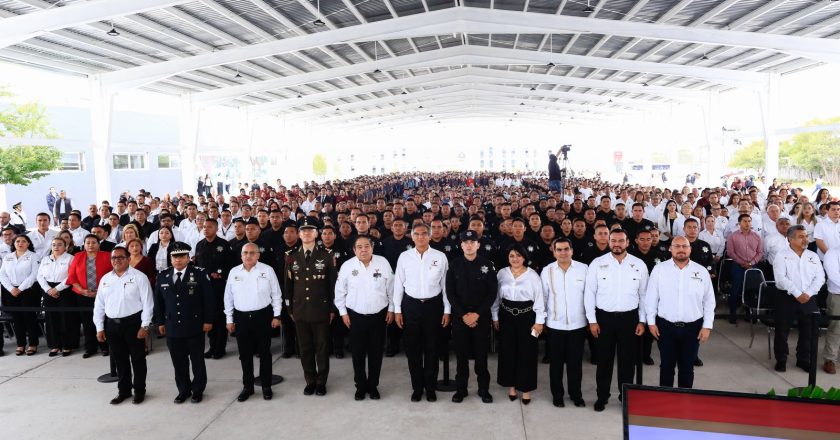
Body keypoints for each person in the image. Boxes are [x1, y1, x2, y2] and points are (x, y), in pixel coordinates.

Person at [584, 228, 648, 412]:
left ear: (628, 242)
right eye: (613, 240)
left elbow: (644, 295)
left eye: (621, 241)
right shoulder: (597, 263)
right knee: (604, 361)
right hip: (604, 319)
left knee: (627, 362)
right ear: (609, 242)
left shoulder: (639, 264)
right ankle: (602, 397)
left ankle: (625, 398)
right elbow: (589, 293)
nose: (617, 244)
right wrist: (592, 320)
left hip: (630, 319)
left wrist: (642, 320)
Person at [645, 237, 715, 389]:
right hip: (665, 326)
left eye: (685, 246)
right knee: (666, 367)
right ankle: (666, 401)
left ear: (690, 249)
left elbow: (709, 301)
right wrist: (651, 323)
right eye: (677, 246)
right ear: (670, 248)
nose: (681, 249)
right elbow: (651, 298)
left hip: (693, 328)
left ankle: (684, 401)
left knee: (687, 368)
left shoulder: (701, 271)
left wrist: (707, 326)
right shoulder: (659, 270)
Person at [394, 223, 451, 402]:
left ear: (430, 235)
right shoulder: (404, 257)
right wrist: (397, 310)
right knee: (413, 349)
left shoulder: (440, 257)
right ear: (411, 236)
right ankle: (417, 387)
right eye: (417, 234)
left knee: (432, 349)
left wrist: (447, 310)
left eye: (424, 234)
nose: (420, 237)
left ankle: (431, 387)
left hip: (433, 307)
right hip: (410, 306)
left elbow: (445, 286)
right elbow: (398, 284)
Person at [334, 235, 394, 401]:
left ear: (372, 247)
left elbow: (392, 288)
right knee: (358, 353)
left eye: (367, 246)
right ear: (354, 250)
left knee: (376, 353)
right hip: (355, 316)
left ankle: (373, 385)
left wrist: (391, 308)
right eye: (359, 247)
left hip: (379, 315)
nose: (363, 249)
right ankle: (360, 386)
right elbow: (339, 292)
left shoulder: (383, 263)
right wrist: (343, 313)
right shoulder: (347, 266)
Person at [154, 242, 215, 404]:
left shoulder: (200, 274)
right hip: (172, 326)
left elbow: (208, 299)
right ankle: (183, 390)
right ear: (170, 258)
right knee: (178, 362)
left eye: (182, 256)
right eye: (175, 257)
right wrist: (160, 322)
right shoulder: (163, 275)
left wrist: (208, 320)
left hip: (194, 325)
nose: (178, 260)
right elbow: (158, 302)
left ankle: (197, 390)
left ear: (188, 258)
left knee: (197, 361)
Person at [93, 246, 155, 405]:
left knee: (138, 359)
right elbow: (99, 305)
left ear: (128, 258)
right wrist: (99, 327)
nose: (117, 260)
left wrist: (145, 325)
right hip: (112, 325)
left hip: (134, 324)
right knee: (120, 360)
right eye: (114, 258)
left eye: (121, 257)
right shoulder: (106, 279)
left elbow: (148, 303)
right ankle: (124, 391)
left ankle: (139, 391)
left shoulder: (139, 277)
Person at [284, 216, 337, 396]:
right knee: (305, 347)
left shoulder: (327, 255)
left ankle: (321, 381)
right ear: (299, 234)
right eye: (303, 230)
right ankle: (310, 380)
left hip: (321, 309)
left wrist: (332, 309)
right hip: (300, 309)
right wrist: (290, 309)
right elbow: (288, 286)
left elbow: (332, 284)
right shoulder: (290, 256)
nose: (306, 233)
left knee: (322, 347)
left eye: (310, 230)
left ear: (317, 234)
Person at [224, 243, 283, 402]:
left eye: (252, 253)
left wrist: (277, 316)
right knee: (245, 355)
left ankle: (266, 386)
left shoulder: (267, 270)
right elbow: (228, 298)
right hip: (241, 318)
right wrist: (229, 319)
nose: (248, 256)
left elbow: (276, 295)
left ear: (258, 255)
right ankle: (247, 387)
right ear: (241, 255)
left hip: (263, 316)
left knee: (265, 353)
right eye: (245, 253)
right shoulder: (234, 272)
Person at [446, 230, 497, 404]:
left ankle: (484, 390)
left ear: (478, 245)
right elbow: (450, 293)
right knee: (461, 357)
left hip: (480, 316)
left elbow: (492, 293)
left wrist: (477, 314)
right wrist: (463, 315)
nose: (469, 245)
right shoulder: (454, 265)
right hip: (461, 317)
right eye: (465, 242)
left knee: (481, 356)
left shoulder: (487, 265)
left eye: (472, 242)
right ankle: (461, 390)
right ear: (461, 245)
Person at [492, 243, 544, 404]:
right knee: (508, 352)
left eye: (518, 256)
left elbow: (540, 299)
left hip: (527, 316)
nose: (515, 259)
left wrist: (539, 322)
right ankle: (512, 386)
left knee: (526, 353)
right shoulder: (502, 273)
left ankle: (526, 389)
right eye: (512, 256)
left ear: (524, 257)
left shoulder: (532, 275)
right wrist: (495, 316)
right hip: (506, 316)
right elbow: (495, 297)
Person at [540, 238, 587, 408]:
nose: (563, 252)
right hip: (555, 325)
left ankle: (576, 395)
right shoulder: (547, 271)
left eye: (566, 249)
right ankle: (557, 395)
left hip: (578, 324)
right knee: (556, 364)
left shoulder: (583, 269)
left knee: (575, 363)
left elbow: (589, 297)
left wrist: (590, 318)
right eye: (559, 250)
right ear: (553, 252)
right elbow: (543, 298)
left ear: (572, 250)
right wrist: (542, 320)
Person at [772, 225, 824, 373]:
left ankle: (803, 359)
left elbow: (820, 278)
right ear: (790, 238)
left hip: (809, 298)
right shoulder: (781, 255)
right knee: (782, 331)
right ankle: (781, 360)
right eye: (801, 236)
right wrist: (797, 293)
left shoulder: (812, 256)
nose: (805, 239)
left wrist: (808, 293)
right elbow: (781, 279)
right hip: (786, 298)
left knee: (808, 331)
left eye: (806, 236)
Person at [194, 218, 235, 359]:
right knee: (208, 316)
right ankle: (211, 346)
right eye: (204, 226)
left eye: (209, 226)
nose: (206, 229)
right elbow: (196, 265)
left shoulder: (224, 245)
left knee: (219, 317)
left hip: (219, 286)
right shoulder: (200, 245)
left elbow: (231, 265)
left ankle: (220, 348)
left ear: (216, 229)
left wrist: (221, 274)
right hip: (204, 287)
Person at [66, 234, 112, 358]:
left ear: (99, 244)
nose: (90, 245)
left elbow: (112, 275)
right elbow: (72, 277)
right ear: (84, 245)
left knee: (104, 321)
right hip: (83, 295)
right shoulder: (78, 256)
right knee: (87, 322)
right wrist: (82, 291)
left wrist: (100, 291)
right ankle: (90, 348)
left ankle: (105, 346)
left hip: (103, 295)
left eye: (93, 242)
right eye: (88, 243)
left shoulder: (107, 256)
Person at [0, 234, 40, 355]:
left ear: (28, 243)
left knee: (30, 318)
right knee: (16, 319)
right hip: (11, 292)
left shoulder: (33, 256)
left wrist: (20, 288)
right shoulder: (8, 257)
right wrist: (12, 288)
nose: (20, 243)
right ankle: (20, 344)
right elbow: (2, 275)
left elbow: (34, 275)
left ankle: (33, 344)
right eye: (17, 241)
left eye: (23, 241)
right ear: (14, 243)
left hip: (28, 291)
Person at [38, 237, 75, 356]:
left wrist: (57, 289)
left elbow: (71, 277)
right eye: (54, 245)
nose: (56, 247)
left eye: (59, 245)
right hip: (48, 290)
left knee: (66, 318)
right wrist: (49, 289)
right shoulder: (45, 259)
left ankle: (67, 345)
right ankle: (55, 346)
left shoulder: (70, 258)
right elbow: (39, 276)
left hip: (64, 290)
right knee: (51, 319)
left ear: (65, 247)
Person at [725, 214, 763, 323]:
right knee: (735, 290)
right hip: (738, 265)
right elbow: (730, 252)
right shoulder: (733, 236)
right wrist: (742, 262)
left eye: (749, 221)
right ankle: (733, 314)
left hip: (752, 266)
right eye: (745, 221)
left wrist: (751, 263)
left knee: (751, 290)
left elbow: (760, 252)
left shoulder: (756, 236)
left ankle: (749, 313)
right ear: (739, 223)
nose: (747, 223)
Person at [822, 246, 840, 374]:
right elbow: (834, 275)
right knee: (836, 328)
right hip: (837, 295)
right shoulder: (832, 252)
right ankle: (830, 360)